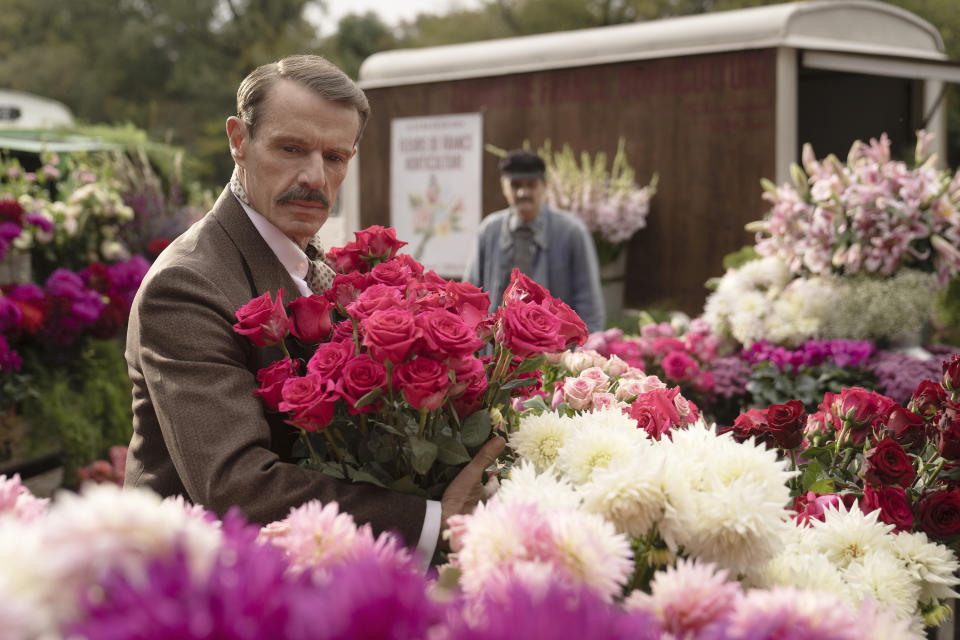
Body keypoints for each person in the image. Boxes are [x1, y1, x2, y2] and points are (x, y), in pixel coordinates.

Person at [124, 54, 503, 562]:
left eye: (335, 158)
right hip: (201, 589)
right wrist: (434, 518)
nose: (314, 177)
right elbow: (238, 486)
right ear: (238, 140)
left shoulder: (310, 257)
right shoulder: (188, 283)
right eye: (291, 148)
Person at [463, 149, 606, 334]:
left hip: (554, 353)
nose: (523, 192)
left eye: (531, 185)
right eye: (515, 185)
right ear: (504, 187)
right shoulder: (489, 231)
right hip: (497, 354)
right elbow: (471, 295)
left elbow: (589, 305)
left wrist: (581, 355)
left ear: (544, 186)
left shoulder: (572, 232)